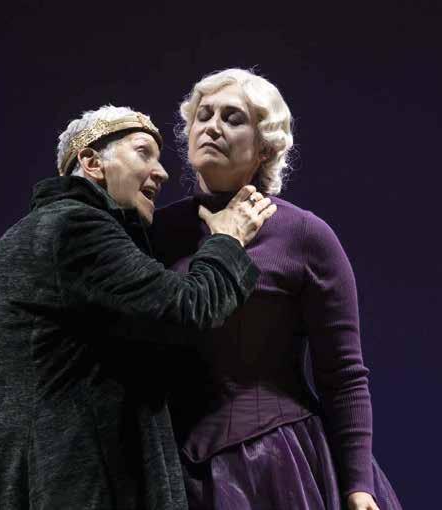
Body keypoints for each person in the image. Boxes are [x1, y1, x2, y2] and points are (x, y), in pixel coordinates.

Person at [0, 105, 276, 510]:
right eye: (143, 152)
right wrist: (228, 241)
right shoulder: (75, 229)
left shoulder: (37, 231)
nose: (162, 173)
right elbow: (188, 309)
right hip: (75, 487)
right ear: (92, 162)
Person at [152, 70, 402, 509]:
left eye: (232, 118)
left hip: (278, 465)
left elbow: (343, 374)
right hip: (172, 472)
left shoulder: (304, 235)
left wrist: (358, 485)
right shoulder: (156, 232)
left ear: (265, 146)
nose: (212, 127)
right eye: (203, 116)